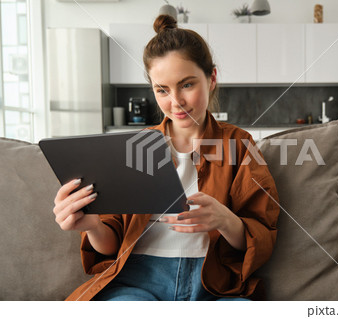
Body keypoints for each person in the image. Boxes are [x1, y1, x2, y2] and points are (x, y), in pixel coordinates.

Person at [53, 14, 279, 301]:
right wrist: (92, 226)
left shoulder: (239, 144)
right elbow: (111, 246)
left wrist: (225, 220)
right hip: (137, 281)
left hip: (212, 283)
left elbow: (263, 234)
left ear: (211, 79)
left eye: (186, 85)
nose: (176, 102)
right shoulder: (133, 146)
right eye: (162, 90)